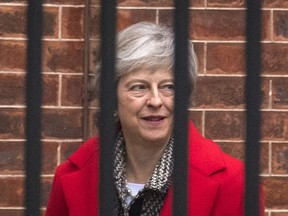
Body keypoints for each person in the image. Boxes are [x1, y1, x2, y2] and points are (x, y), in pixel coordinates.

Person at [45, 22, 264, 216]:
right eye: (139, 87)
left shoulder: (236, 183)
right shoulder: (71, 176)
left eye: (168, 87)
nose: (156, 100)